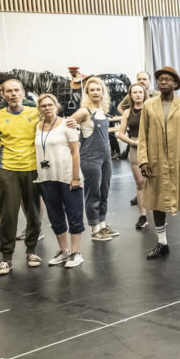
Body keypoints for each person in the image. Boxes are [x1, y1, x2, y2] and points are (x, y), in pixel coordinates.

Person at [137, 66, 180, 258]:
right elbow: (143, 135)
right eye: (160, 79)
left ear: (175, 83)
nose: (163, 82)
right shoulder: (149, 106)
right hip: (156, 162)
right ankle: (162, 242)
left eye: (167, 79)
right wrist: (143, 160)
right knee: (157, 201)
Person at [0, 78, 42, 275]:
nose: (13, 94)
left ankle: (31, 251)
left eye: (16, 90)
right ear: (3, 95)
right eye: (8, 91)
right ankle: (7, 258)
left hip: (32, 169)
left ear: (23, 92)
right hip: (9, 169)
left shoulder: (35, 113)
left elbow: (51, 127)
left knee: (33, 213)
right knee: (9, 215)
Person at [34, 94, 85, 268]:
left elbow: (75, 152)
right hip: (46, 177)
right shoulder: (37, 126)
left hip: (67, 176)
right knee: (55, 216)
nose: (47, 108)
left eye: (50, 105)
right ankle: (64, 251)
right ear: (39, 108)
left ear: (56, 106)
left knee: (74, 214)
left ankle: (75, 253)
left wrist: (76, 177)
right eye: (43, 105)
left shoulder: (67, 124)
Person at [70, 76, 117, 242]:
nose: (96, 92)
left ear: (103, 92)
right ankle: (94, 228)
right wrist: (73, 145)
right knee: (93, 193)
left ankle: (103, 225)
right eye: (92, 90)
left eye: (99, 89)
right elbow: (67, 124)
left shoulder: (103, 111)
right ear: (87, 93)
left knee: (104, 191)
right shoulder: (84, 111)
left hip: (106, 158)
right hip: (90, 157)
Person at [118, 83, 149, 229]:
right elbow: (120, 133)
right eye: (134, 92)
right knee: (140, 183)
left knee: (155, 183)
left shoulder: (151, 109)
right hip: (135, 148)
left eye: (140, 92)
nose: (137, 94)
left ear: (144, 94)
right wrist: (134, 143)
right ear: (130, 95)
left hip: (152, 148)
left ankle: (158, 213)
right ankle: (143, 216)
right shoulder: (127, 112)